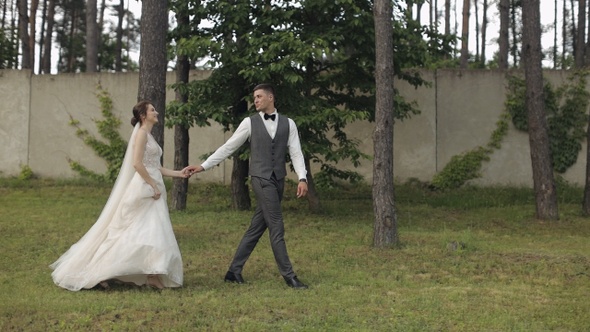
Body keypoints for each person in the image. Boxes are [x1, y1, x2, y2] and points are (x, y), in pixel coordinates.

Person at [50, 101, 188, 291]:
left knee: (152, 231)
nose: (156, 112)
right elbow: (137, 164)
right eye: (152, 110)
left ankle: (153, 274)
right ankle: (102, 271)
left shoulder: (149, 135)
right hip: (145, 189)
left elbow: (156, 167)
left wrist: (179, 173)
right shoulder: (141, 135)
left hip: (153, 187)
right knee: (136, 232)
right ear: (143, 115)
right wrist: (152, 185)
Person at [184, 83, 309, 289]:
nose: (256, 100)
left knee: (257, 228)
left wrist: (302, 178)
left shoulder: (289, 124)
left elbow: (296, 152)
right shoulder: (249, 123)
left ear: (271, 98)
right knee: (276, 226)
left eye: (259, 96)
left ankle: (233, 271)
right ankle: (289, 276)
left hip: (278, 179)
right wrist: (204, 166)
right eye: (254, 97)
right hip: (261, 178)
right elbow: (229, 146)